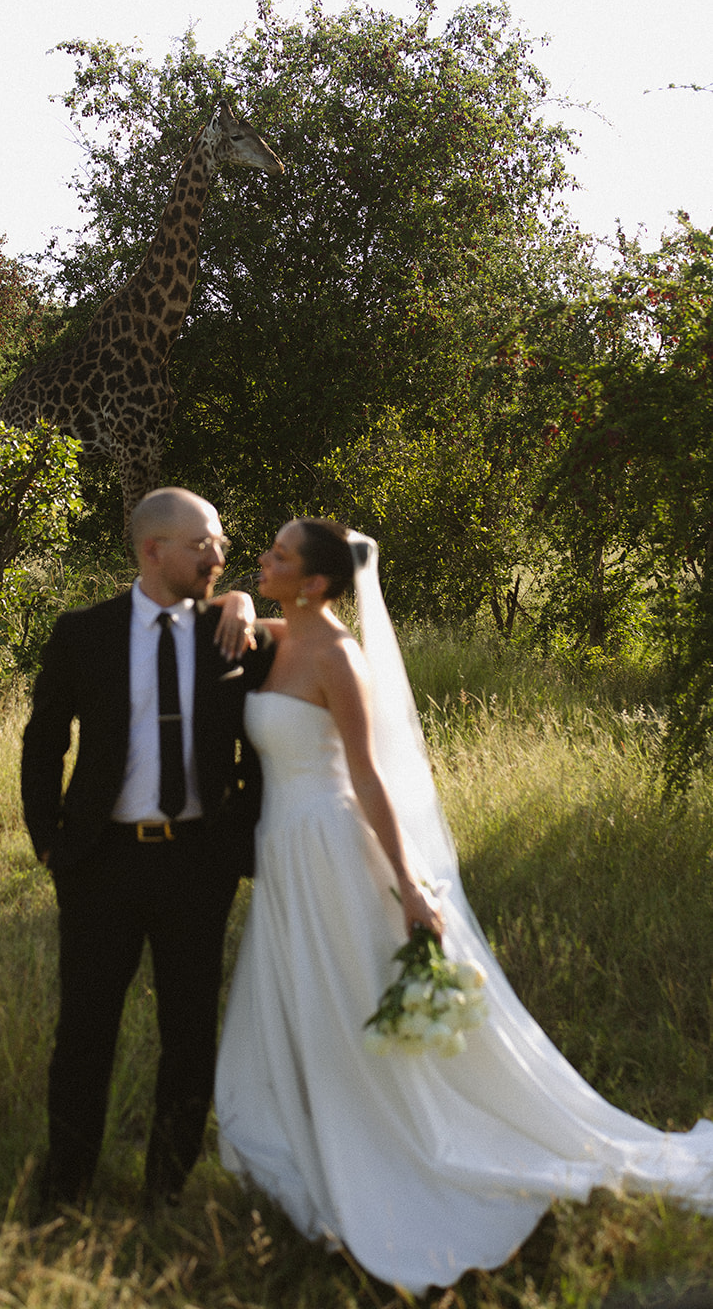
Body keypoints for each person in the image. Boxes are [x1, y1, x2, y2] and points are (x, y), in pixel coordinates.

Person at [215, 518, 713, 1294]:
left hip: (332, 849)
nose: (262, 559)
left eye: (276, 555)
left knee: (347, 997)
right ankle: (309, 1125)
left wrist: (409, 886)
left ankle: (386, 1146)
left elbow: (370, 777)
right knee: (300, 998)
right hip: (282, 852)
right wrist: (241, 599)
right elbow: (228, 603)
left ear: (314, 581)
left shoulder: (339, 658)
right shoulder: (276, 635)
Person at [22, 486, 275, 1213]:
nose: (219, 556)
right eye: (204, 545)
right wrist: (50, 843)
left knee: (190, 1033)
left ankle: (165, 1188)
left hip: (198, 863)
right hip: (101, 863)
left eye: (222, 544)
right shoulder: (83, 633)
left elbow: (273, 717)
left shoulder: (228, 631)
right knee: (83, 1034)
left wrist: (246, 606)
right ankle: (62, 1186)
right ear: (151, 549)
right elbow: (43, 742)